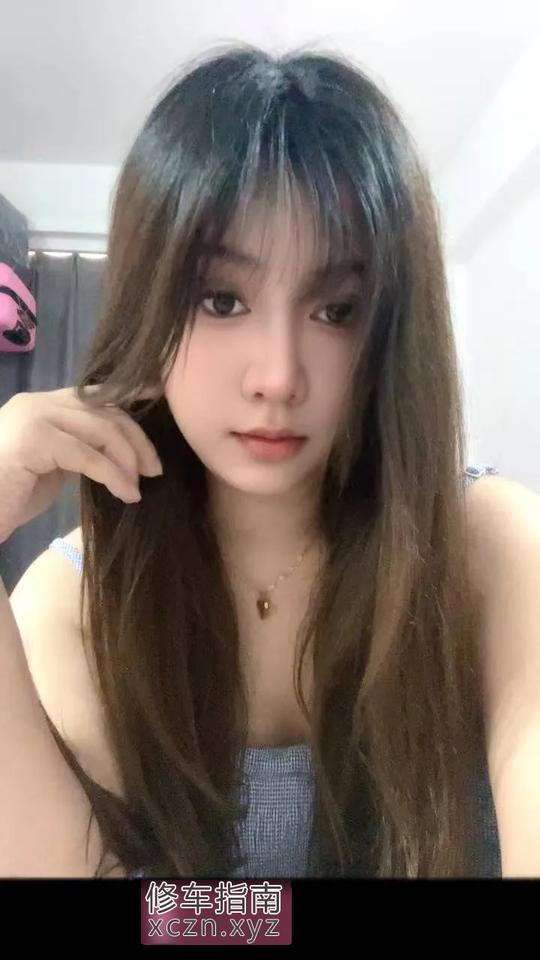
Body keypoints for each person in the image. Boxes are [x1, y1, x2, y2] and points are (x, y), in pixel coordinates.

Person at [1, 44, 539, 879]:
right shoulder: (76, 603)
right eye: (222, 299)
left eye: (337, 309)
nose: (279, 378)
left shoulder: (487, 543)